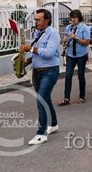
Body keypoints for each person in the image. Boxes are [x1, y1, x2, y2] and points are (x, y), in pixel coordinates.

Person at [19, 9, 60, 145]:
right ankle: (53, 124)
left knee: (41, 99)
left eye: (38, 20)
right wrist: (25, 62)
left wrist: (29, 49)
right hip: (37, 71)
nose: (35, 22)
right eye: (35, 19)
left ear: (46, 20)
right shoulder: (37, 32)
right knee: (45, 98)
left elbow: (48, 53)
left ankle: (41, 134)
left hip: (50, 71)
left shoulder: (53, 33)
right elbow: (35, 52)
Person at [58, 10, 90, 106]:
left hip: (81, 55)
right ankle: (66, 98)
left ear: (79, 18)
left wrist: (77, 38)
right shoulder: (69, 27)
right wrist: (65, 40)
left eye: (75, 17)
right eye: (72, 17)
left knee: (80, 75)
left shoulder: (84, 28)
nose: (73, 19)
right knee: (68, 76)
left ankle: (82, 96)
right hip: (71, 54)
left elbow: (87, 42)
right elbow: (64, 42)